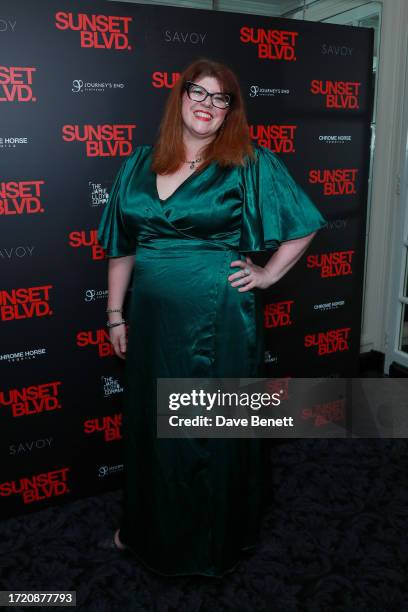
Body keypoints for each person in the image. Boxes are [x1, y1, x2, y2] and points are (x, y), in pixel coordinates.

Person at [97, 58, 326, 577]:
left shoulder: (246, 162)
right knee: (153, 425)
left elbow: (304, 223)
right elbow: (121, 249)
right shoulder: (137, 162)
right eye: (198, 92)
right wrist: (115, 315)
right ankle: (145, 528)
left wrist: (268, 275)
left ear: (230, 112)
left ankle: (211, 540)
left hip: (218, 316)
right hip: (151, 319)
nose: (207, 104)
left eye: (220, 98)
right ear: (179, 98)